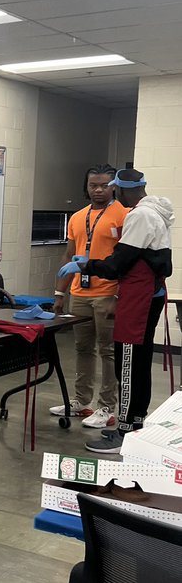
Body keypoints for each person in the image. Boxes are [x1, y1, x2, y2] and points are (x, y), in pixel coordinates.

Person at [57, 167, 174, 455]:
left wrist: (86, 265)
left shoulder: (140, 215)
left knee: (129, 363)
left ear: (120, 190)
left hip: (139, 298)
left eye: (110, 187)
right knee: (137, 362)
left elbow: (117, 265)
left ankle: (126, 432)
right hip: (147, 294)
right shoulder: (156, 212)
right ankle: (134, 423)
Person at [51, 164, 127, 430]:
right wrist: (60, 293)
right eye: (93, 185)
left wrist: (118, 295)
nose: (98, 190)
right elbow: (68, 255)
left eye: (104, 185)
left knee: (108, 351)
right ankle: (81, 401)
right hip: (79, 293)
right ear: (86, 186)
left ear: (114, 186)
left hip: (107, 292)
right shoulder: (77, 217)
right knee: (83, 348)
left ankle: (107, 407)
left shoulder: (124, 214)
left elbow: (127, 261)